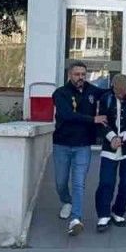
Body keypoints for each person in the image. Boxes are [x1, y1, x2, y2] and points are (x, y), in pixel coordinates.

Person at [52, 60, 105, 236]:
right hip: (62, 144)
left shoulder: (92, 90)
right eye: (77, 74)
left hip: (83, 145)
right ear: (69, 75)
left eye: (83, 74)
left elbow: (109, 93)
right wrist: (93, 119)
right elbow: (67, 115)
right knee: (61, 182)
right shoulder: (60, 93)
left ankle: (76, 219)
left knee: (78, 183)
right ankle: (66, 201)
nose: (81, 77)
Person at [93, 73, 126, 232]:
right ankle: (103, 214)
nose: (120, 95)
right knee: (106, 182)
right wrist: (111, 137)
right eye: (117, 92)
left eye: (122, 92)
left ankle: (118, 210)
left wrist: (122, 137)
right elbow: (102, 121)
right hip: (109, 148)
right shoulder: (106, 98)